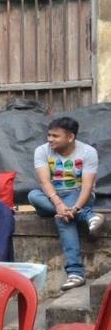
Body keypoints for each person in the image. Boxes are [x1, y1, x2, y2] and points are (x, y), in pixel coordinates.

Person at [27, 116, 105, 291]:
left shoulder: (88, 152)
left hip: (79, 194)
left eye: (55, 136)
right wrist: (59, 205)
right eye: (49, 135)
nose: (50, 140)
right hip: (53, 195)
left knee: (63, 219)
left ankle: (75, 273)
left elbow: (86, 186)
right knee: (33, 195)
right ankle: (88, 216)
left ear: (70, 137)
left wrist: (75, 207)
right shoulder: (42, 151)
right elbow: (44, 182)